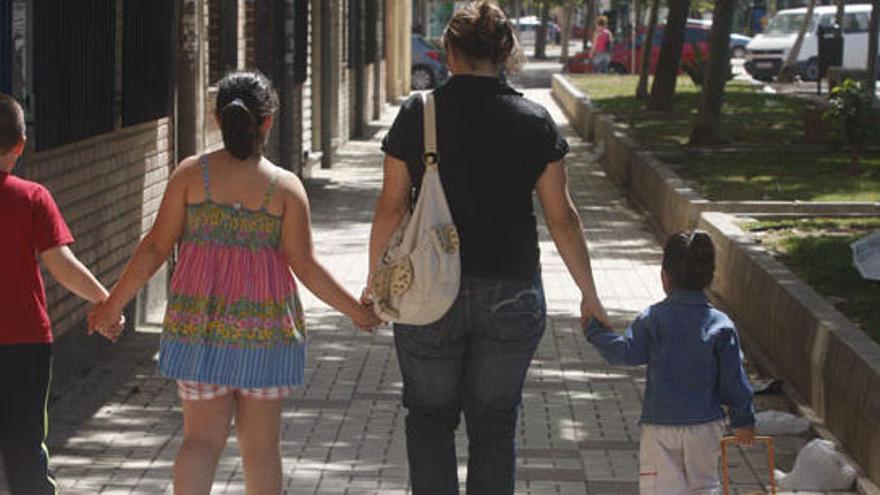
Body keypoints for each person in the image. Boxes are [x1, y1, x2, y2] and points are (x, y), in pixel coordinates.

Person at [88, 71, 379, 494]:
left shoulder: (190, 176)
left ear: (218, 118)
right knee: (261, 449)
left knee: (200, 441)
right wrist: (357, 311)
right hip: (264, 332)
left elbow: (153, 248)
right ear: (268, 121)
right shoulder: (284, 188)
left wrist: (112, 305)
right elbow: (306, 266)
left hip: (198, 329)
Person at [367, 2, 607, 493]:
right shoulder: (533, 120)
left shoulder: (418, 113)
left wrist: (374, 281)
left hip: (426, 293)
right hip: (512, 292)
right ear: (506, 52)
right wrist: (590, 293)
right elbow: (562, 218)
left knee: (430, 419)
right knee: (495, 425)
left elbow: (390, 209)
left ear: (448, 50)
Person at [0, 93, 120, 494]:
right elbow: (61, 264)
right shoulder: (32, 198)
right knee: (25, 445)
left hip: (24, 344)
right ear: (19, 145)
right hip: (24, 343)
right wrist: (107, 302)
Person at [584, 230, 756, 495]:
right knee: (704, 485)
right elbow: (733, 380)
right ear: (710, 276)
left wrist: (595, 331)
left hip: (659, 425)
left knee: (660, 489)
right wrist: (743, 419)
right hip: (705, 424)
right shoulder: (722, 325)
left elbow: (625, 353)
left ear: (664, 276)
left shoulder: (653, 318)